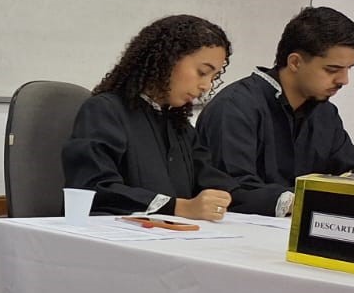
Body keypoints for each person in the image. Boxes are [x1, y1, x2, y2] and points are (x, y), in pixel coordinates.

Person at [62, 14, 237, 221]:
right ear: (167, 59)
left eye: (214, 77)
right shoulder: (105, 111)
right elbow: (94, 187)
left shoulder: (179, 126)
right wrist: (178, 207)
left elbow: (213, 182)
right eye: (202, 72)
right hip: (112, 235)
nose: (206, 86)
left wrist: (231, 197)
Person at [196, 6, 354, 216]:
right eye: (332, 69)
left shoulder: (325, 113)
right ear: (295, 62)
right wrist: (306, 201)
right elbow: (232, 188)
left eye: (349, 68)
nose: (344, 80)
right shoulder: (234, 107)